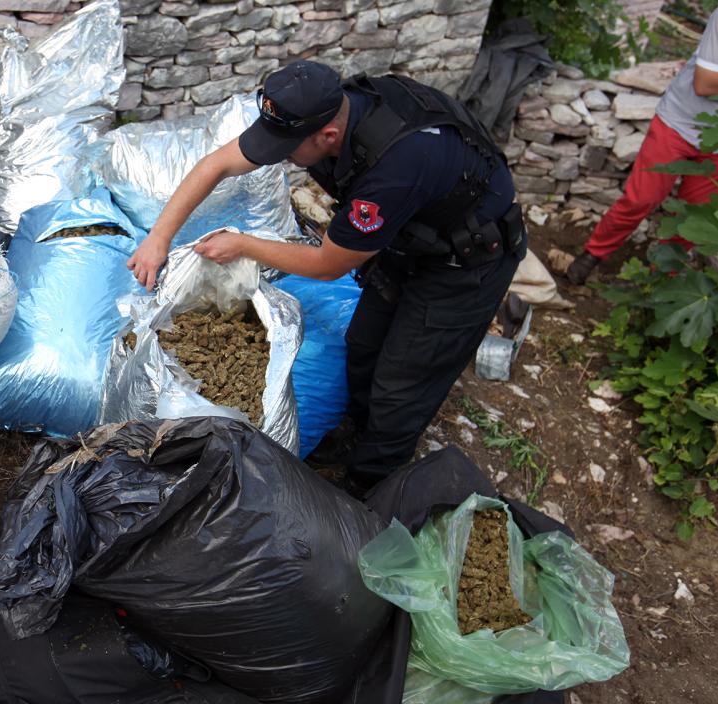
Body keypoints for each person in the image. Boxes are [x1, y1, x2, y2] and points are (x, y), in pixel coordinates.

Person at [126, 60, 527, 485]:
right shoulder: (315, 111)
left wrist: (243, 246)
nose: (277, 156)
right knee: (364, 344)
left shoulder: (395, 167)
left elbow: (328, 265)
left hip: (464, 263)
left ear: (328, 136)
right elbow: (217, 165)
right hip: (410, 235)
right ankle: (355, 434)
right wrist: (158, 238)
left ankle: (366, 486)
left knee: (402, 383)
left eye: (286, 149)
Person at [566, 4, 718, 285]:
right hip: (679, 123)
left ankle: (660, 281)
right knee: (640, 199)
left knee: (695, 218)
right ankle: (593, 253)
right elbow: (705, 83)